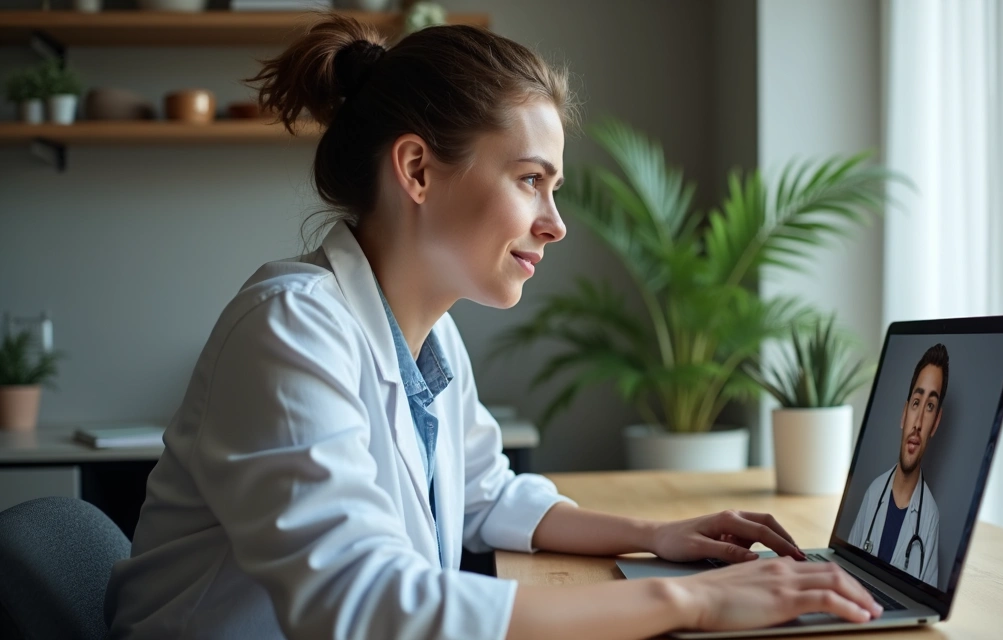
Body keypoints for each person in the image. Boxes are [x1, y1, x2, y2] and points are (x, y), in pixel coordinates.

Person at [102, 14, 882, 640]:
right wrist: (693, 603)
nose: (555, 224)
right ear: (416, 170)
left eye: (554, 187)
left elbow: (487, 497)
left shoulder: (431, 336)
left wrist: (657, 536)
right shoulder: (291, 328)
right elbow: (357, 600)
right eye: (530, 180)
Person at [847, 344, 947, 588]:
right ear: (904, 414)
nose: (918, 422)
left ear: (935, 424)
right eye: (916, 402)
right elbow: (845, 571)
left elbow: (924, 603)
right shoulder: (874, 492)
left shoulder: (930, 517)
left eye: (930, 407)